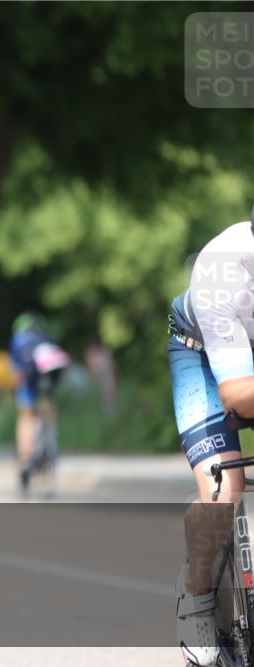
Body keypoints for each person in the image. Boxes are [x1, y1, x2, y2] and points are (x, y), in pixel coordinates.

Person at [167, 210, 254, 666]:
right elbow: (238, 397)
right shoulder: (224, 268)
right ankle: (197, 595)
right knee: (225, 495)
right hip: (201, 357)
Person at [9, 312, 68, 493]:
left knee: (26, 416)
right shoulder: (47, 338)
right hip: (51, 371)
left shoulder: (18, 340)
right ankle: (51, 444)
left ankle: (25, 460)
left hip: (30, 376)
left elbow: (17, 373)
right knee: (49, 406)